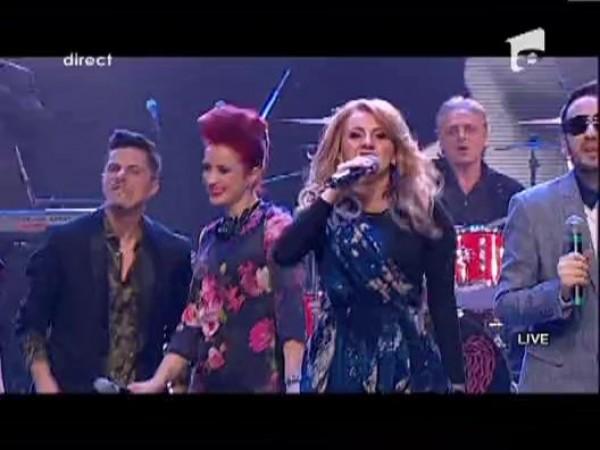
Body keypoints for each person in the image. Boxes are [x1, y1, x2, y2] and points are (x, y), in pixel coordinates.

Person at [272, 98, 465, 393]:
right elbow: (284, 254)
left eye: (380, 135)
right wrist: (333, 191)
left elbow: (443, 305)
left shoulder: (424, 212)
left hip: (404, 360)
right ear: (340, 149)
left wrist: (457, 381)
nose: (367, 144)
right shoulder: (324, 210)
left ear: (395, 153)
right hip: (337, 361)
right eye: (355, 135)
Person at [128, 104, 306, 394]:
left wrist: (295, 384)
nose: (211, 179)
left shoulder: (275, 229)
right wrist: (157, 382)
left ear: (253, 173)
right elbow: (192, 322)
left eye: (223, 170)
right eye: (207, 168)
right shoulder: (210, 237)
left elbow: (292, 316)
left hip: (261, 383)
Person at [15, 129, 192, 393]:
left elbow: (183, 330)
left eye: (133, 171)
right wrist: (44, 382)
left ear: (154, 185)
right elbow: (30, 324)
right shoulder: (65, 242)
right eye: (113, 168)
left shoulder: (172, 252)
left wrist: (169, 382)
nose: (120, 176)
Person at [494, 80, 598, 393]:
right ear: (565, 143)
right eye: (578, 125)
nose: (590, 133)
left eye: (598, 123)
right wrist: (560, 291)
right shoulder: (530, 206)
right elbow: (506, 306)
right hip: (557, 382)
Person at [434, 95, 525, 391]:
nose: (462, 137)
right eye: (452, 130)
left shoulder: (513, 194)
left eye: (470, 129)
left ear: (485, 135)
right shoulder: (416, 190)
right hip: (434, 312)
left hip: (496, 313)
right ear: (440, 139)